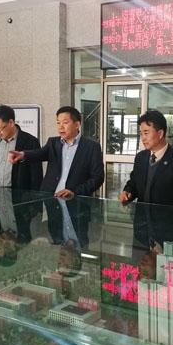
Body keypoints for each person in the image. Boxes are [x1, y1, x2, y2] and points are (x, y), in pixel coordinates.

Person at [8, 106, 104, 248]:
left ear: (77, 124)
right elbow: (40, 153)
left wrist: (75, 192)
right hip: (52, 200)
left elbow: (97, 177)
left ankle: (76, 250)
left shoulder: (91, 147)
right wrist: (23, 155)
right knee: (57, 233)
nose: (60, 127)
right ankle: (62, 245)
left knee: (79, 236)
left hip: (76, 203)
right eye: (58, 122)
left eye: (65, 122)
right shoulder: (53, 143)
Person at [119, 110, 173, 247]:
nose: (142, 138)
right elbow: (134, 182)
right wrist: (128, 192)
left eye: (146, 133)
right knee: (141, 260)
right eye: (140, 134)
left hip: (168, 234)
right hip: (142, 232)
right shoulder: (141, 158)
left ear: (160, 133)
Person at [0, 105, 43, 240]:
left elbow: (36, 177)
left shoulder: (30, 142)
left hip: (20, 201)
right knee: (2, 225)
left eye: (0, 128)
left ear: (11, 122)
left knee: (21, 228)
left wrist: (34, 206)